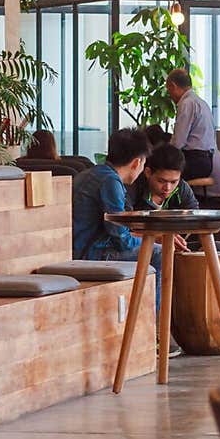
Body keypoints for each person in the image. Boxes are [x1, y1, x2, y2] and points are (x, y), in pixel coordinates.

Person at [73, 127, 172, 309]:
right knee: (159, 253)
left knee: (157, 246)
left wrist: (148, 237)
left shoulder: (90, 173)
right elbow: (122, 240)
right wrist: (151, 241)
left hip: (80, 247)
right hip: (90, 253)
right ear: (137, 162)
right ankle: (154, 325)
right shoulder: (110, 182)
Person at [130, 143, 220, 254]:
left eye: (173, 182)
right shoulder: (133, 189)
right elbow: (123, 234)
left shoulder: (182, 189)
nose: (167, 188)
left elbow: (196, 219)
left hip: (179, 246)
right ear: (148, 173)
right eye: (161, 181)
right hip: (144, 246)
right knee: (159, 251)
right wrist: (158, 238)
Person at [166, 68, 217, 181]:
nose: (170, 95)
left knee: (154, 169)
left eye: (169, 90)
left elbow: (178, 143)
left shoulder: (186, 104)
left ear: (173, 86)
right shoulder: (201, 102)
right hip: (206, 161)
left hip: (194, 161)